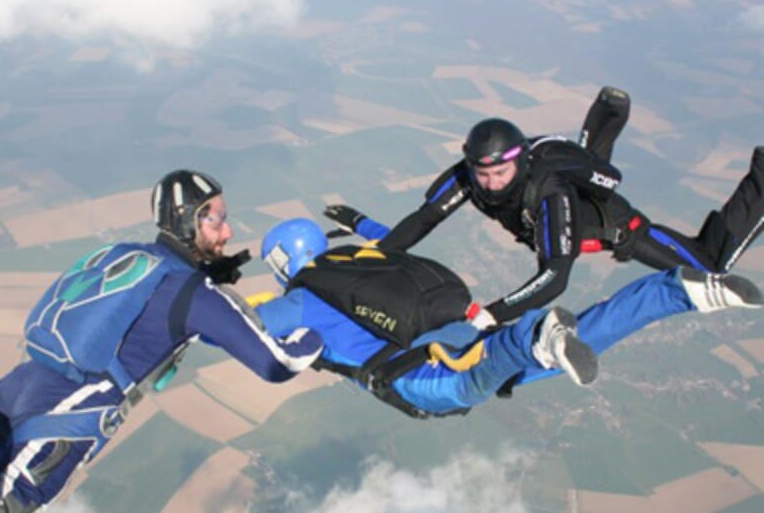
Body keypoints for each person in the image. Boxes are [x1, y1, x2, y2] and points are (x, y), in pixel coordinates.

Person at [0, 170, 323, 513]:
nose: (228, 232)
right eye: (215, 219)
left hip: (19, 386)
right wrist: (319, 331)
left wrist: (205, 279)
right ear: (188, 221)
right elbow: (277, 363)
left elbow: (156, 315)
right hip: (70, 414)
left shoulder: (130, 255)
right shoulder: (194, 294)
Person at [324, 89, 764, 325]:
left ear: (521, 160)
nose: (492, 184)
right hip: (569, 196)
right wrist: (375, 251)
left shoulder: (549, 192)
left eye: (502, 173)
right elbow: (425, 219)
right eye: (484, 174)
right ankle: (597, 137)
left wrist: (492, 314)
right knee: (587, 176)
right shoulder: (469, 174)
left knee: (711, 267)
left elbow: (555, 276)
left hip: (619, 225)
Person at [254, 218, 762, 419]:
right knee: (571, 343)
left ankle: (534, 334)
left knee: (459, 389)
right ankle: (675, 292)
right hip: (457, 332)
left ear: (282, 262)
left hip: (418, 369)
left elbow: (240, 326)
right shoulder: (357, 260)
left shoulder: (302, 299)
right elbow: (393, 239)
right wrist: (356, 221)